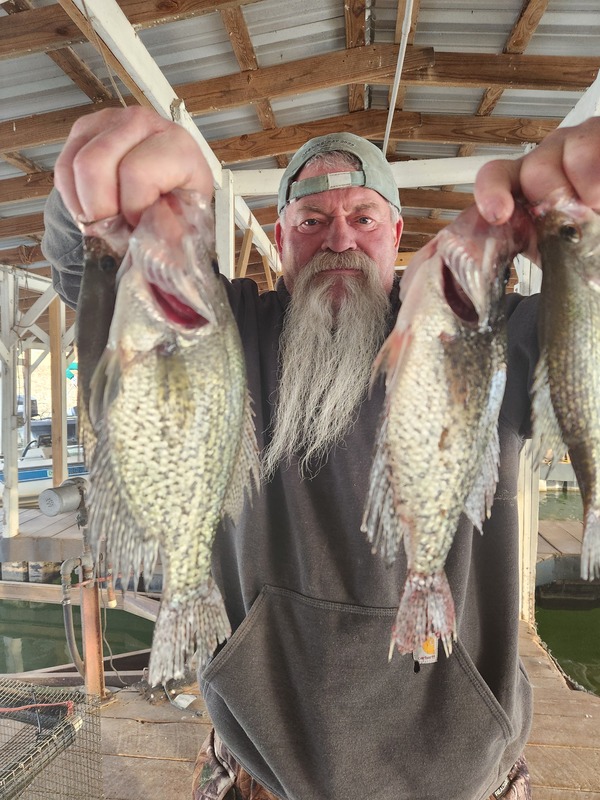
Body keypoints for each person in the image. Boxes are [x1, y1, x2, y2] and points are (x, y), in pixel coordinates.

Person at [42, 107, 600, 800]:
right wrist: (94, 214)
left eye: (364, 218)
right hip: (259, 772)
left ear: (398, 234)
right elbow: (89, 281)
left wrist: (584, 246)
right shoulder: (221, 328)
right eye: (311, 221)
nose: (339, 239)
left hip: (464, 778)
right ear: (280, 241)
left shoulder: (473, 328)